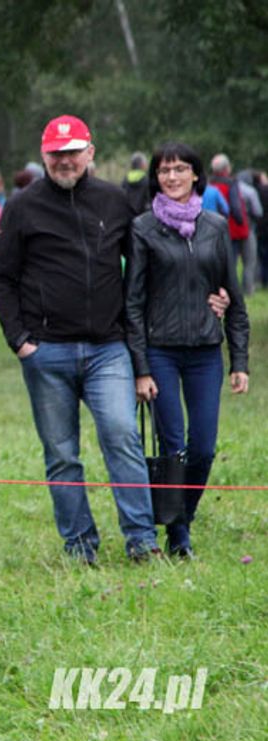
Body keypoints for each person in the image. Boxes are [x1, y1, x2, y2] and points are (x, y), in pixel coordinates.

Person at [0, 114, 162, 564]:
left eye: (73, 152)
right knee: (62, 454)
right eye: (56, 154)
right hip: (47, 351)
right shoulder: (22, 206)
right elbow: (1, 280)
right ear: (44, 156)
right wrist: (21, 342)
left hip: (109, 348)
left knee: (122, 437)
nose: (65, 161)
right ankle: (80, 546)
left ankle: (142, 540)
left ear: (91, 153)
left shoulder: (115, 200)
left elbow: (142, 271)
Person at [126, 142, 250, 558]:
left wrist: (240, 360)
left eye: (180, 169)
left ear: (196, 175)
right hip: (160, 350)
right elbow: (133, 301)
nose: (173, 177)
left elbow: (231, 295)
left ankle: (184, 516)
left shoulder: (214, 225)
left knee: (203, 447)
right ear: (156, 178)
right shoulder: (143, 227)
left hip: (204, 352)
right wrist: (140, 366)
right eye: (164, 171)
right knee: (173, 445)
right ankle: (178, 537)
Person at [208, 154, 254, 294]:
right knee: (245, 260)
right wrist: (241, 221)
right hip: (234, 229)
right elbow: (235, 207)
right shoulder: (231, 183)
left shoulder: (210, 183)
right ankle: (243, 289)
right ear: (227, 168)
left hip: (213, 227)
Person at [121, 152, 151, 216]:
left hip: (127, 215)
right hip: (143, 216)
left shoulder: (125, 179)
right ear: (142, 165)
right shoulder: (147, 179)